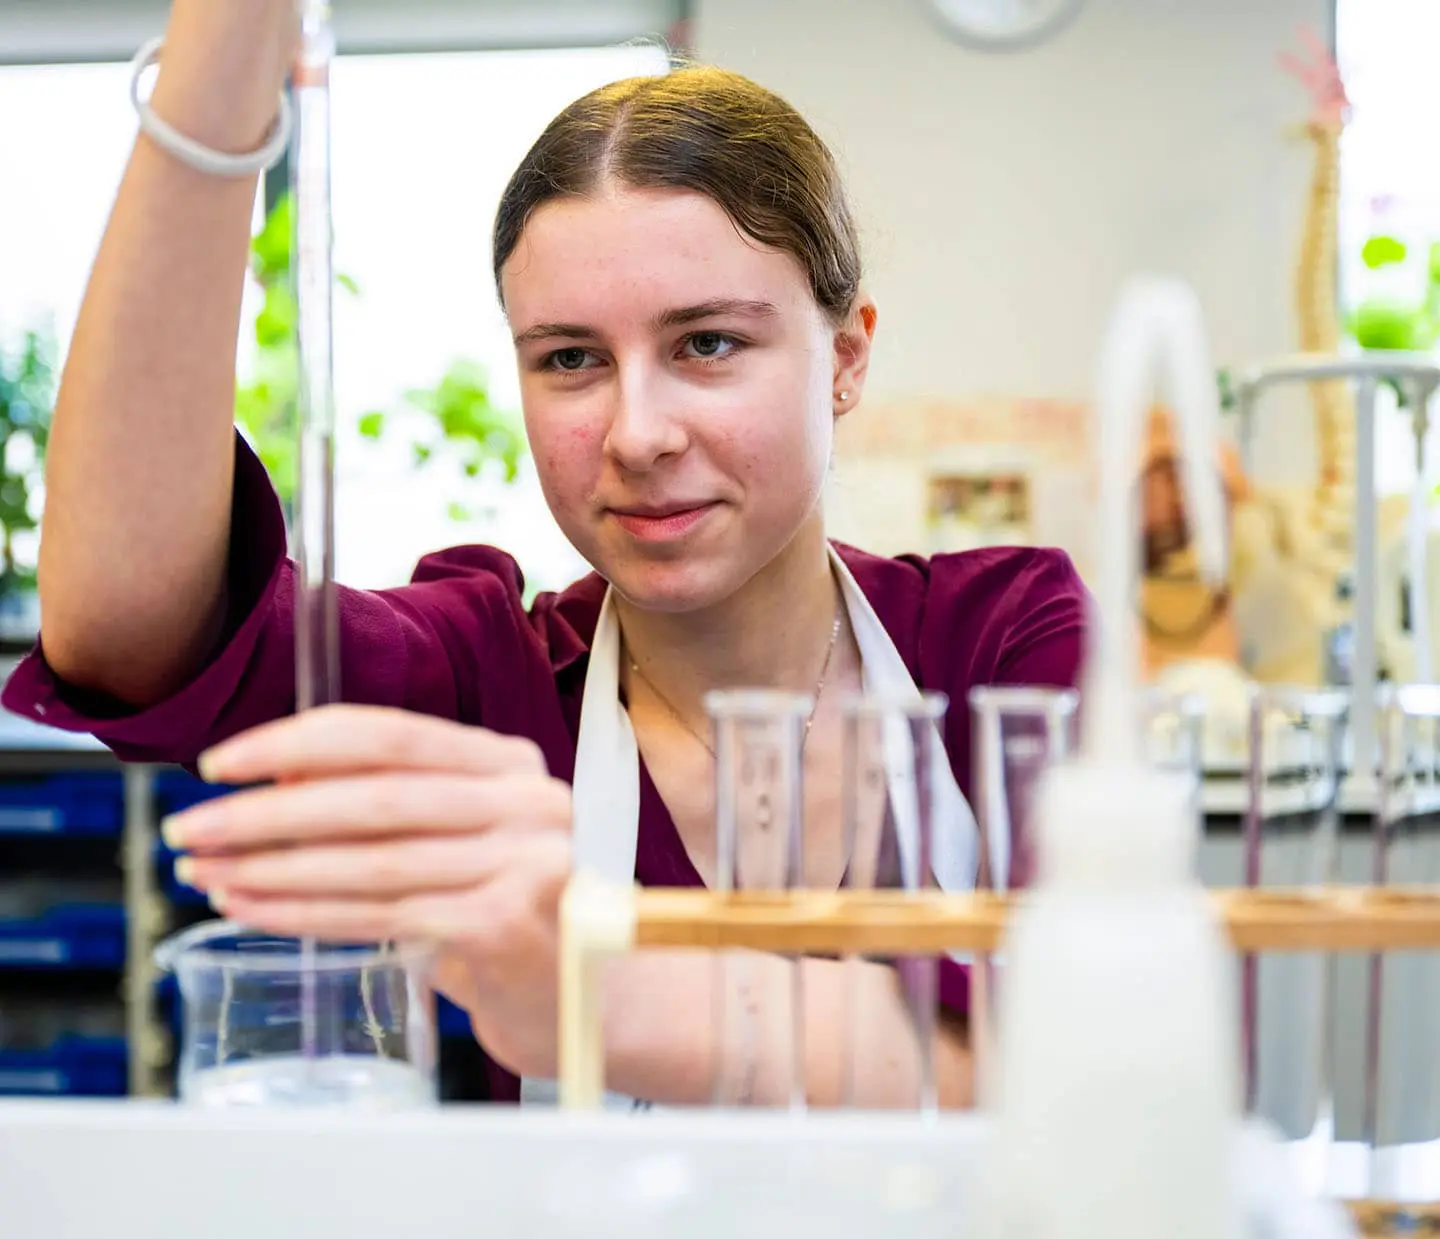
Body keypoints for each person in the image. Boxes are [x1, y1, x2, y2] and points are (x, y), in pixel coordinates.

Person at [2, 0, 1087, 1109]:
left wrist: (598, 992)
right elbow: (121, 627)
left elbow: (1095, 1067)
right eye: (571, 359)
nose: (637, 434)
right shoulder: (485, 681)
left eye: (707, 343)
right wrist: (220, 64)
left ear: (846, 356)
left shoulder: (998, 648)